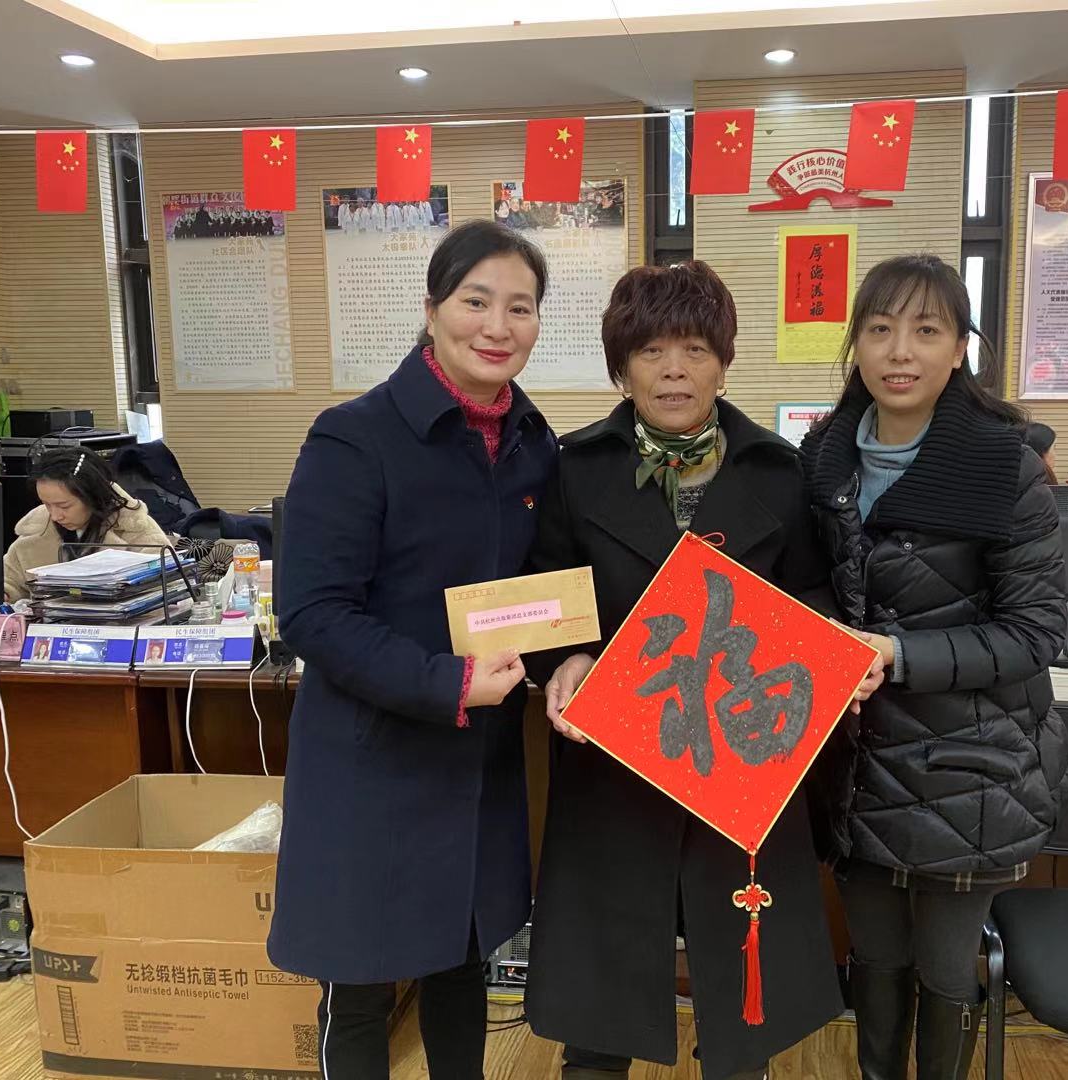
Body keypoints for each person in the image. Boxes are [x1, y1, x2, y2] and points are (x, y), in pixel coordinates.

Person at [523, 261, 881, 1080]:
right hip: (617, 761)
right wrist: (565, 655)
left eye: (694, 349)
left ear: (724, 360)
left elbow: (812, 593)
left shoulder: (776, 471)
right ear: (622, 368)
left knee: (739, 1014)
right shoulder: (575, 468)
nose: (674, 370)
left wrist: (828, 642)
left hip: (739, 762)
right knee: (601, 1014)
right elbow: (547, 595)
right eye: (651, 352)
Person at [267, 220, 557, 1080]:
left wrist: (564, 659)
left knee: (460, 965)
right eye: (476, 301)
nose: (497, 327)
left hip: (475, 764)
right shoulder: (354, 438)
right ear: (432, 310)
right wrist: (448, 681)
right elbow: (312, 613)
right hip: (372, 761)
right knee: (357, 983)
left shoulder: (533, 442)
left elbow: (540, 587)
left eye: (520, 308)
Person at [799, 254, 1068, 1080]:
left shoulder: (1003, 465)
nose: (900, 351)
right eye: (880, 329)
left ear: (960, 349)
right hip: (857, 762)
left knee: (946, 972)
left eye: (926, 330)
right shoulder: (823, 458)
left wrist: (897, 654)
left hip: (969, 765)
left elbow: (1034, 633)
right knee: (874, 959)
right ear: (856, 344)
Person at [3, 446, 171, 601]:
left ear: (93, 496)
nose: (54, 516)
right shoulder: (35, 531)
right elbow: (9, 582)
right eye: (46, 504)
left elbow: (167, 587)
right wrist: (5, 595)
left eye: (64, 506)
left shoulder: (136, 529)